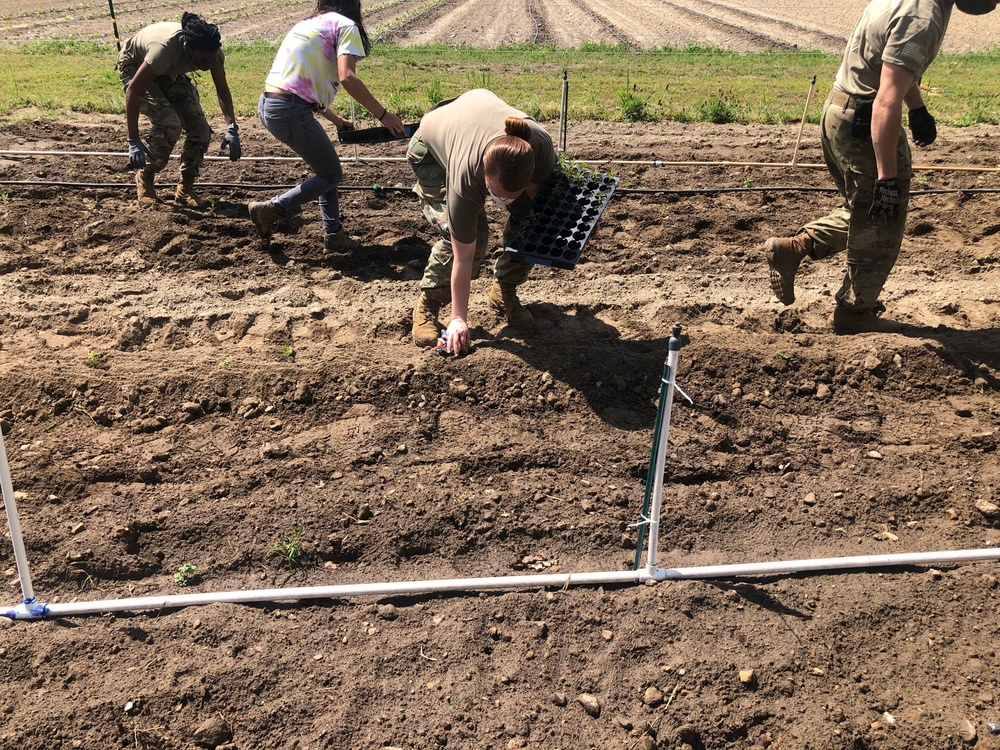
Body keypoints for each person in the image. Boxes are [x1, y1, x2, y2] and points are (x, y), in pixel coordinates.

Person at [764, 0, 996, 334]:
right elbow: (886, 101)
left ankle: (794, 249)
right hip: (865, 122)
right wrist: (887, 179)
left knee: (866, 210)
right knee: (882, 225)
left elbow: (888, 65)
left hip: (840, 112)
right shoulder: (922, 17)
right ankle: (854, 314)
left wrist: (916, 107)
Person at [408, 88, 557, 356]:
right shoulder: (466, 178)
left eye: (508, 197)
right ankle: (429, 303)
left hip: (478, 123)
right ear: (484, 177)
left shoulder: (541, 148)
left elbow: (550, 198)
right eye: (495, 195)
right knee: (470, 234)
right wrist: (458, 318)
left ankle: (504, 290)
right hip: (430, 148)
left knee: (534, 218)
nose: (500, 201)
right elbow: (463, 257)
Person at [247, 0, 404, 252]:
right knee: (331, 175)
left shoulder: (309, 23)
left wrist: (336, 119)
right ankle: (272, 209)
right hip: (290, 111)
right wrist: (383, 115)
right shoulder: (345, 25)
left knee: (326, 172)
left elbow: (300, 83)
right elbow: (347, 77)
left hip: (270, 104)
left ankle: (334, 235)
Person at [118, 12, 241, 208]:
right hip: (137, 65)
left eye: (211, 60)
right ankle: (145, 179)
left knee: (199, 128)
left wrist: (232, 127)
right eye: (203, 60)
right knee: (169, 124)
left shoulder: (213, 53)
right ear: (189, 49)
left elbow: (222, 90)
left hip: (169, 71)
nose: (208, 64)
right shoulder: (164, 50)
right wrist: (133, 139)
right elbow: (133, 90)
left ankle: (185, 190)